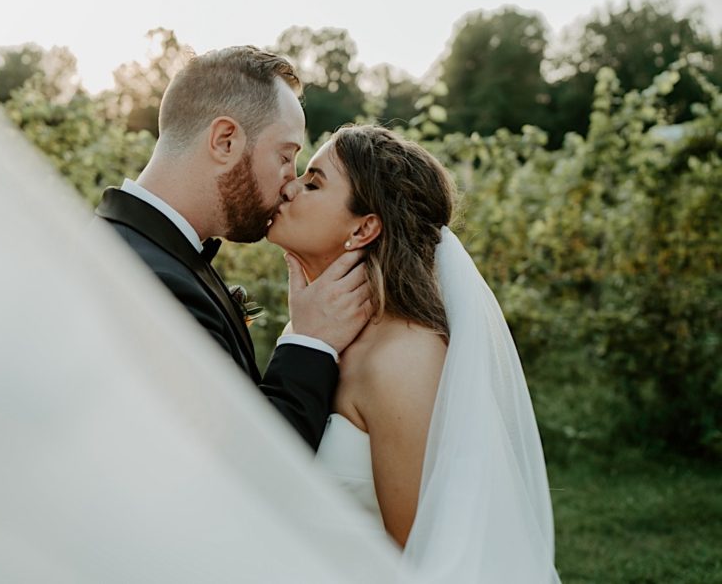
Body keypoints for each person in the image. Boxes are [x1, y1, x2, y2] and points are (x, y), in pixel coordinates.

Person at [268, 125, 560, 581]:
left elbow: (422, 557)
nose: (288, 188)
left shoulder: (403, 357)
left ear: (364, 227)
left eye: (314, 183)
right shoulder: (316, 331)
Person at [95, 46, 372, 449]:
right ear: (225, 141)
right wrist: (311, 342)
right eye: (285, 156)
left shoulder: (151, 250)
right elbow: (250, 463)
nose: (290, 183)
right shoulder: (144, 279)